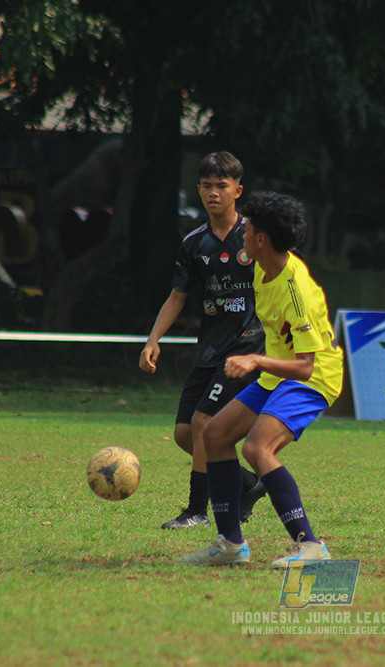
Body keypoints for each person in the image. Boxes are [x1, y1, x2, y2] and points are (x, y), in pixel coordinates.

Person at [179, 191, 344, 566]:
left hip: (313, 377)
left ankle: (311, 546)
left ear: (261, 240)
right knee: (214, 434)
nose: (242, 233)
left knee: (257, 449)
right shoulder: (259, 265)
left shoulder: (294, 289)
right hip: (277, 373)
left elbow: (304, 365)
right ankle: (231, 544)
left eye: (248, 228)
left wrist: (255, 359)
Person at [139, 152, 268, 529]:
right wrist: (153, 340)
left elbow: (282, 277)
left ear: (237, 191)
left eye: (221, 186)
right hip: (210, 350)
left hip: (247, 348)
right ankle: (247, 483)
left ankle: (196, 510)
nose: (214, 193)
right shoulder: (194, 243)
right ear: (198, 190)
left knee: (202, 423)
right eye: (207, 186)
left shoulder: (256, 237)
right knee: (184, 435)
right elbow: (177, 296)